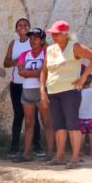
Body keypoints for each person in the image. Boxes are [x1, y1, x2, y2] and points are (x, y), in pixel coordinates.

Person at [41, 20, 92, 168]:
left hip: (70, 91)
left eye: (56, 34)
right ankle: (60, 156)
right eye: (52, 34)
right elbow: (44, 71)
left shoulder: (75, 47)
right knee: (59, 125)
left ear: (65, 34)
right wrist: (42, 90)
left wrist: (84, 76)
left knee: (72, 124)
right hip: (53, 91)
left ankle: (75, 158)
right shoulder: (51, 49)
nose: (53, 36)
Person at [3, 18, 43, 158]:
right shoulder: (13, 44)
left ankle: (36, 145)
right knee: (18, 115)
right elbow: (6, 63)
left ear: (30, 28)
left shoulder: (36, 42)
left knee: (34, 116)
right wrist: (19, 60)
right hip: (17, 84)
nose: (23, 27)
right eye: (19, 25)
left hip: (34, 84)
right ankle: (14, 147)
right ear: (15, 29)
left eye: (26, 25)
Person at [13, 28, 54, 163]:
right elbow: (21, 72)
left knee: (47, 122)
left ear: (42, 41)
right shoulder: (25, 54)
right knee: (29, 123)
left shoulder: (47, 53)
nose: (32, 41)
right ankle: (27, 153)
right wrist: (38, 72)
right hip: (28, 90)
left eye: (35, 38)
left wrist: (30, 73)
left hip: (43, 90)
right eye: (31, 38)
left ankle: (50, 153)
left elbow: (46, 72)